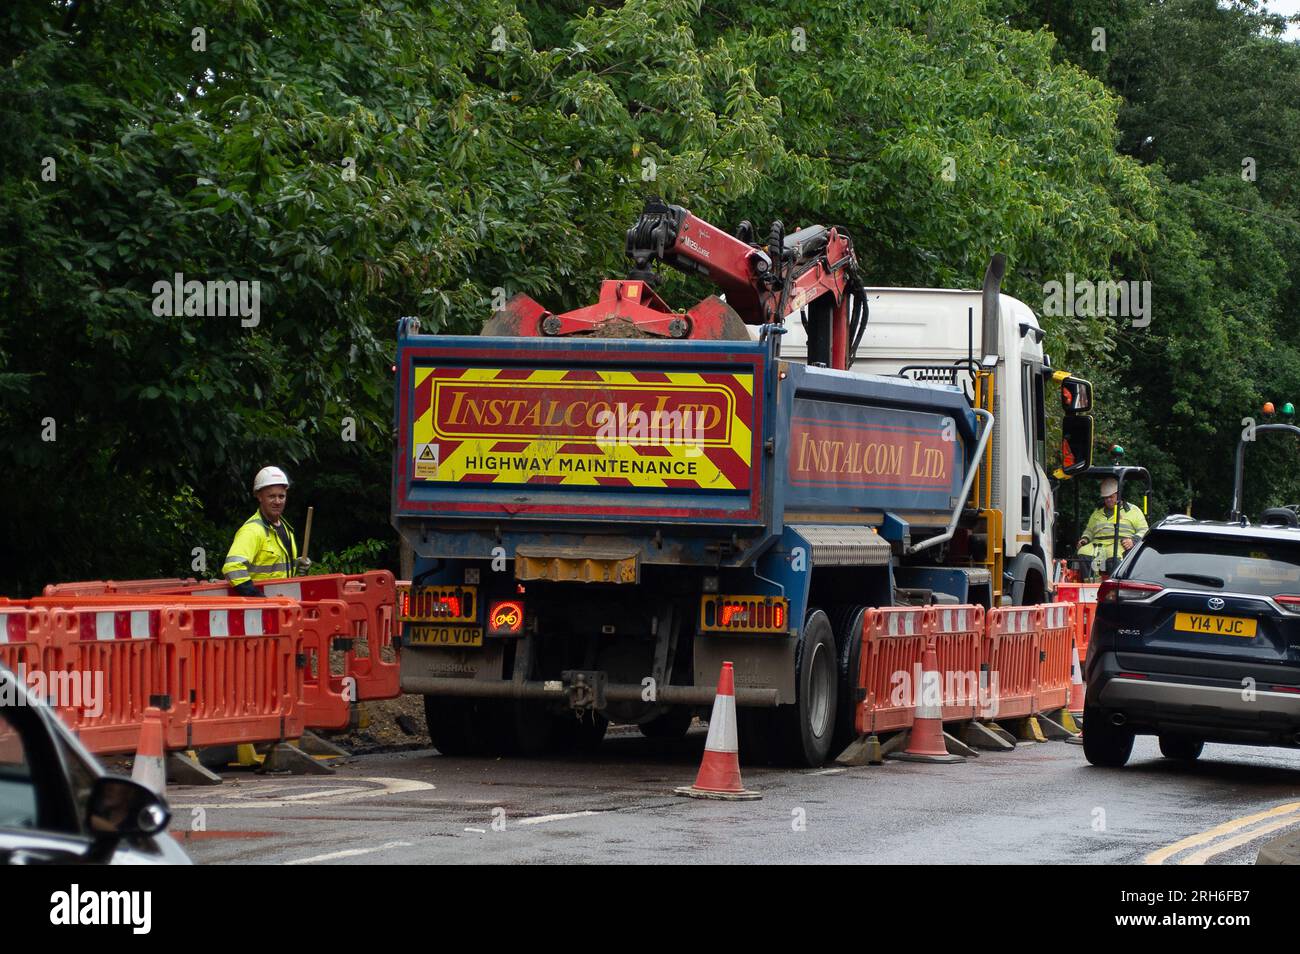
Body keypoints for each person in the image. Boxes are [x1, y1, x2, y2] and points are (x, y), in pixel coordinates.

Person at [222, 466, 311, 596]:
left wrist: (295, 564)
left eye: (282, 496)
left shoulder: (286, 529)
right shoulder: (252, 530)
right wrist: (258, 598)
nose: (277, 501)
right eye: (271, 496)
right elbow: (232, 567)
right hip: (262, 610)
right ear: (259, 496)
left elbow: (274, 568)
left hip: (282, 603)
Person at [1077, 477, 1148, 565]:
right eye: (1106, 497)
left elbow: (1144, 530)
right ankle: (1091, 579)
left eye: (1111, 496)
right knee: (1083, 552)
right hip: (1098, 545)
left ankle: (1114, 578)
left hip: (1119, 544)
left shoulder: (1133, 510)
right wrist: (1085, 538)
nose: (1108, 500)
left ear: (1119, 494)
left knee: (1113, 554)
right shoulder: (1097, 512)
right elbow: (1089, 530)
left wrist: (1133, 540)